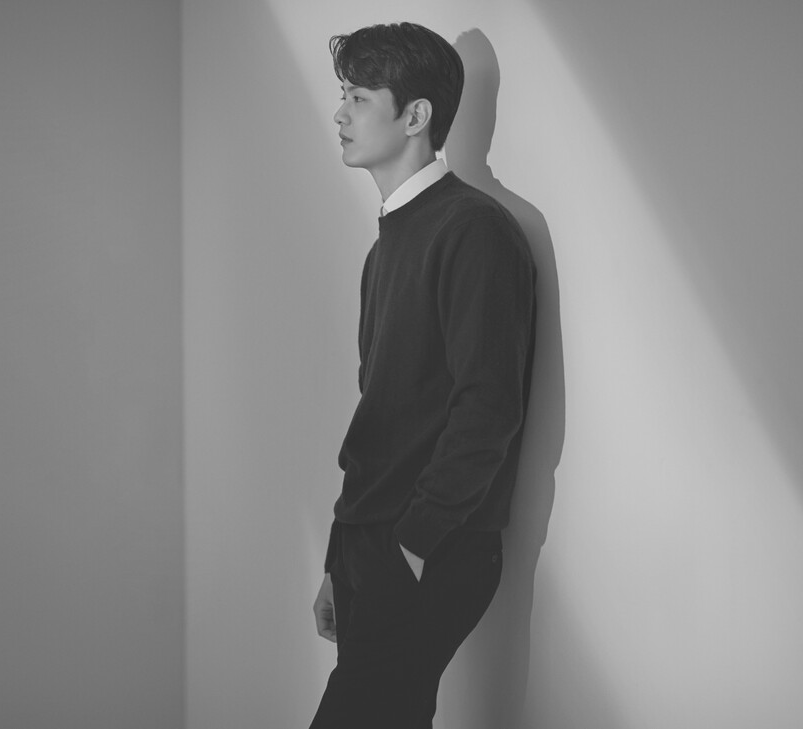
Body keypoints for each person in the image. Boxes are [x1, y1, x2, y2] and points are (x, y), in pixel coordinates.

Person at [310, 22, 537, 728]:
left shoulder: (474, 229)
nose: (340, 113)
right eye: (342, 94)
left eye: (358, 97)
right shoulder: (385, 249)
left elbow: (488, 408)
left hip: (426, 549)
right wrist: (340, 556)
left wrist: (410, 545)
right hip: (371, 544)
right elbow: (382, 418)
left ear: (415, 115)